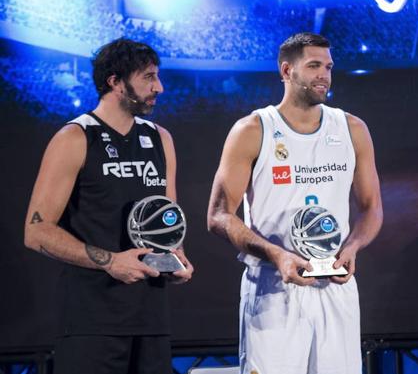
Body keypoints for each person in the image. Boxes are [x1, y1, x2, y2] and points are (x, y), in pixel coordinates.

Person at [207, 32, 383, 374]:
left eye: (328, 67)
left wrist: (354, 246)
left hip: (334, 287)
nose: (324, 76)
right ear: (286, 71)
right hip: (273, 288)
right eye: (314, 65)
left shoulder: (351, 128)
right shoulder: (253, 130)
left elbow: (372, 207)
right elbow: (217, 215)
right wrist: (277, 255)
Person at [24, 38, 194, 374]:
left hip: (151, 320)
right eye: (148, 77)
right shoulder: (74, 137)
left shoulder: (161, 138)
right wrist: (111, 262)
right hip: (91, 322)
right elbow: (36, 231)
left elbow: (168, 216)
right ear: (115, 82)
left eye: (157, 77)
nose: (158, 87)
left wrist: (178, 258)